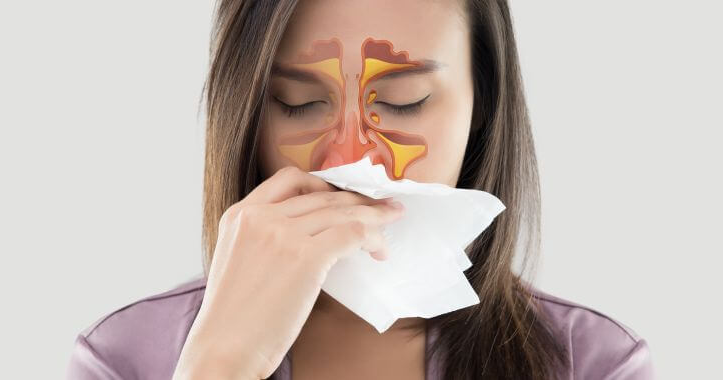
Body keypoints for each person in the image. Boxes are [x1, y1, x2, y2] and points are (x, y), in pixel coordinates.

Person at [65, 0, 656, 379]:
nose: (353, 158)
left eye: (405, 103)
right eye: (299, 104)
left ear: (483, 104)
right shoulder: (122, 359)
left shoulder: (592, 363)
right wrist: (220, 364)